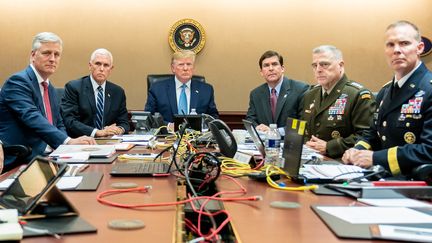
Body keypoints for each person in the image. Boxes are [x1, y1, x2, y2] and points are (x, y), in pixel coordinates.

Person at [342, 20, 432, 176]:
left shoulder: (429, 88)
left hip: (414, 184)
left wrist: (376, 158)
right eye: (390, 45)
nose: (396, 50)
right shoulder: (385, 92)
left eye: (404, 43)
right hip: (381, 176)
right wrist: (356, 151)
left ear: (419, 48)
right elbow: (372, 134)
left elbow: (429, 149)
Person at [0, 32, 95, 171]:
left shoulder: (49, 86)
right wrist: (67, 141)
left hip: (48, 157)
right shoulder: (18, 82)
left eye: (57, 55)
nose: (52, 59)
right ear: (33, 55)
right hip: (22, 160)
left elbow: (58, 123)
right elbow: (32, 117)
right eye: (47, 53)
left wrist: (66, 148)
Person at [301, 45, 375, 158]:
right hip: (310, 160)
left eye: (324, 64)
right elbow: (303, 130)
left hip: (342, 162)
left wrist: (329, 147)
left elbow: (366, 137)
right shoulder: (309, 95)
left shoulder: (357, 95)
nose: (318, 69)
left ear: (340, 66)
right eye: (314, 65)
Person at [61, 48, 129, 138]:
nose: (101, 69)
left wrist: (118, 130)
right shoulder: (74, 87)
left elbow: (124, 122)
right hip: (81, 141)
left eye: (106, 65)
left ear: (111, 69)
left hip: (109, 142)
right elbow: (69, 121)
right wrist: (97, 132)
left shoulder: (118, 92)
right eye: (98, 64)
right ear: (90, 66)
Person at [144, 50, 219, 124]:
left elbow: (213, 117)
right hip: (167, 135)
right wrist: (169, 126)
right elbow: (149, 117)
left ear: (193, 67)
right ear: (173, 68)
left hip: (197, 135)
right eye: (181, 64)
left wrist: (201, 126)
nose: (185, 68)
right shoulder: (157, 89)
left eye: (189, 64)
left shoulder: (206, 90)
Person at [246, 50, 309, 134]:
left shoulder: (300, 89)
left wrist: (274, 132)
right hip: (265, 143)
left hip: (289, 143)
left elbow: (303, 122)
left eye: (274, 64)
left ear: (282, 68)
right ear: (261, 72)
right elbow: (250, 119)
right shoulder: (256, 94)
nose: (271, 68)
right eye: (266, 65)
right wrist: (257, 127)